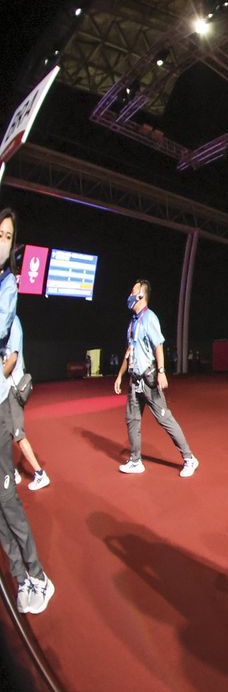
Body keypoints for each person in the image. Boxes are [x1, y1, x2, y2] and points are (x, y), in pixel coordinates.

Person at [0, 208, 53, 614]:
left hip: (2, 403)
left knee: (6, 497)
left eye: (7, 237)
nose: (1, 242)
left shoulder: (8, 289)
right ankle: (21, 575)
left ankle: (37, 574)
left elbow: (9, 352)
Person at [114, 280, 200, 478]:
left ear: (140, 296)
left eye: (132, 292)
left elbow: (159, 345)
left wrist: (161, 371)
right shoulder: (133, 322)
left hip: (148, 381)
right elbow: (129, 351)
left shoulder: (149, 318)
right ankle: (136, 461)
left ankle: (189, 458)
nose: (129, 295)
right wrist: (120, 375)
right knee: (132, 420)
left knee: (165, 419)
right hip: (134, 382)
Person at [4, 316, 48, 490]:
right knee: (5, 432)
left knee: (18, 435)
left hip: (13, 388)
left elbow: (13, 358)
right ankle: (11, 471)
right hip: (6, 390)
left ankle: (40, 474)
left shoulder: (13, 322)